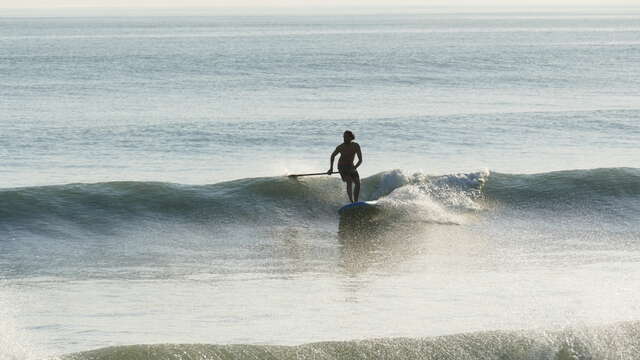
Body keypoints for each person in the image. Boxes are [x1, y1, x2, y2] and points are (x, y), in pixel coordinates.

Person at [327, 130, 362, 203]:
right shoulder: (340, 147)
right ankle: (351, 201)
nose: (344, 138)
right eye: (343, 137)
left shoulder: (356, 146)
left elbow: (360, 160)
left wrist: (354, 167)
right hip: (342, 167)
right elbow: (332, 156)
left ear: (351, 137)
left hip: (351, 166)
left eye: (346, 137)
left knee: (358, 183)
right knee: (349, 181)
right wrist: (331, 168)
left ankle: (356, 202)